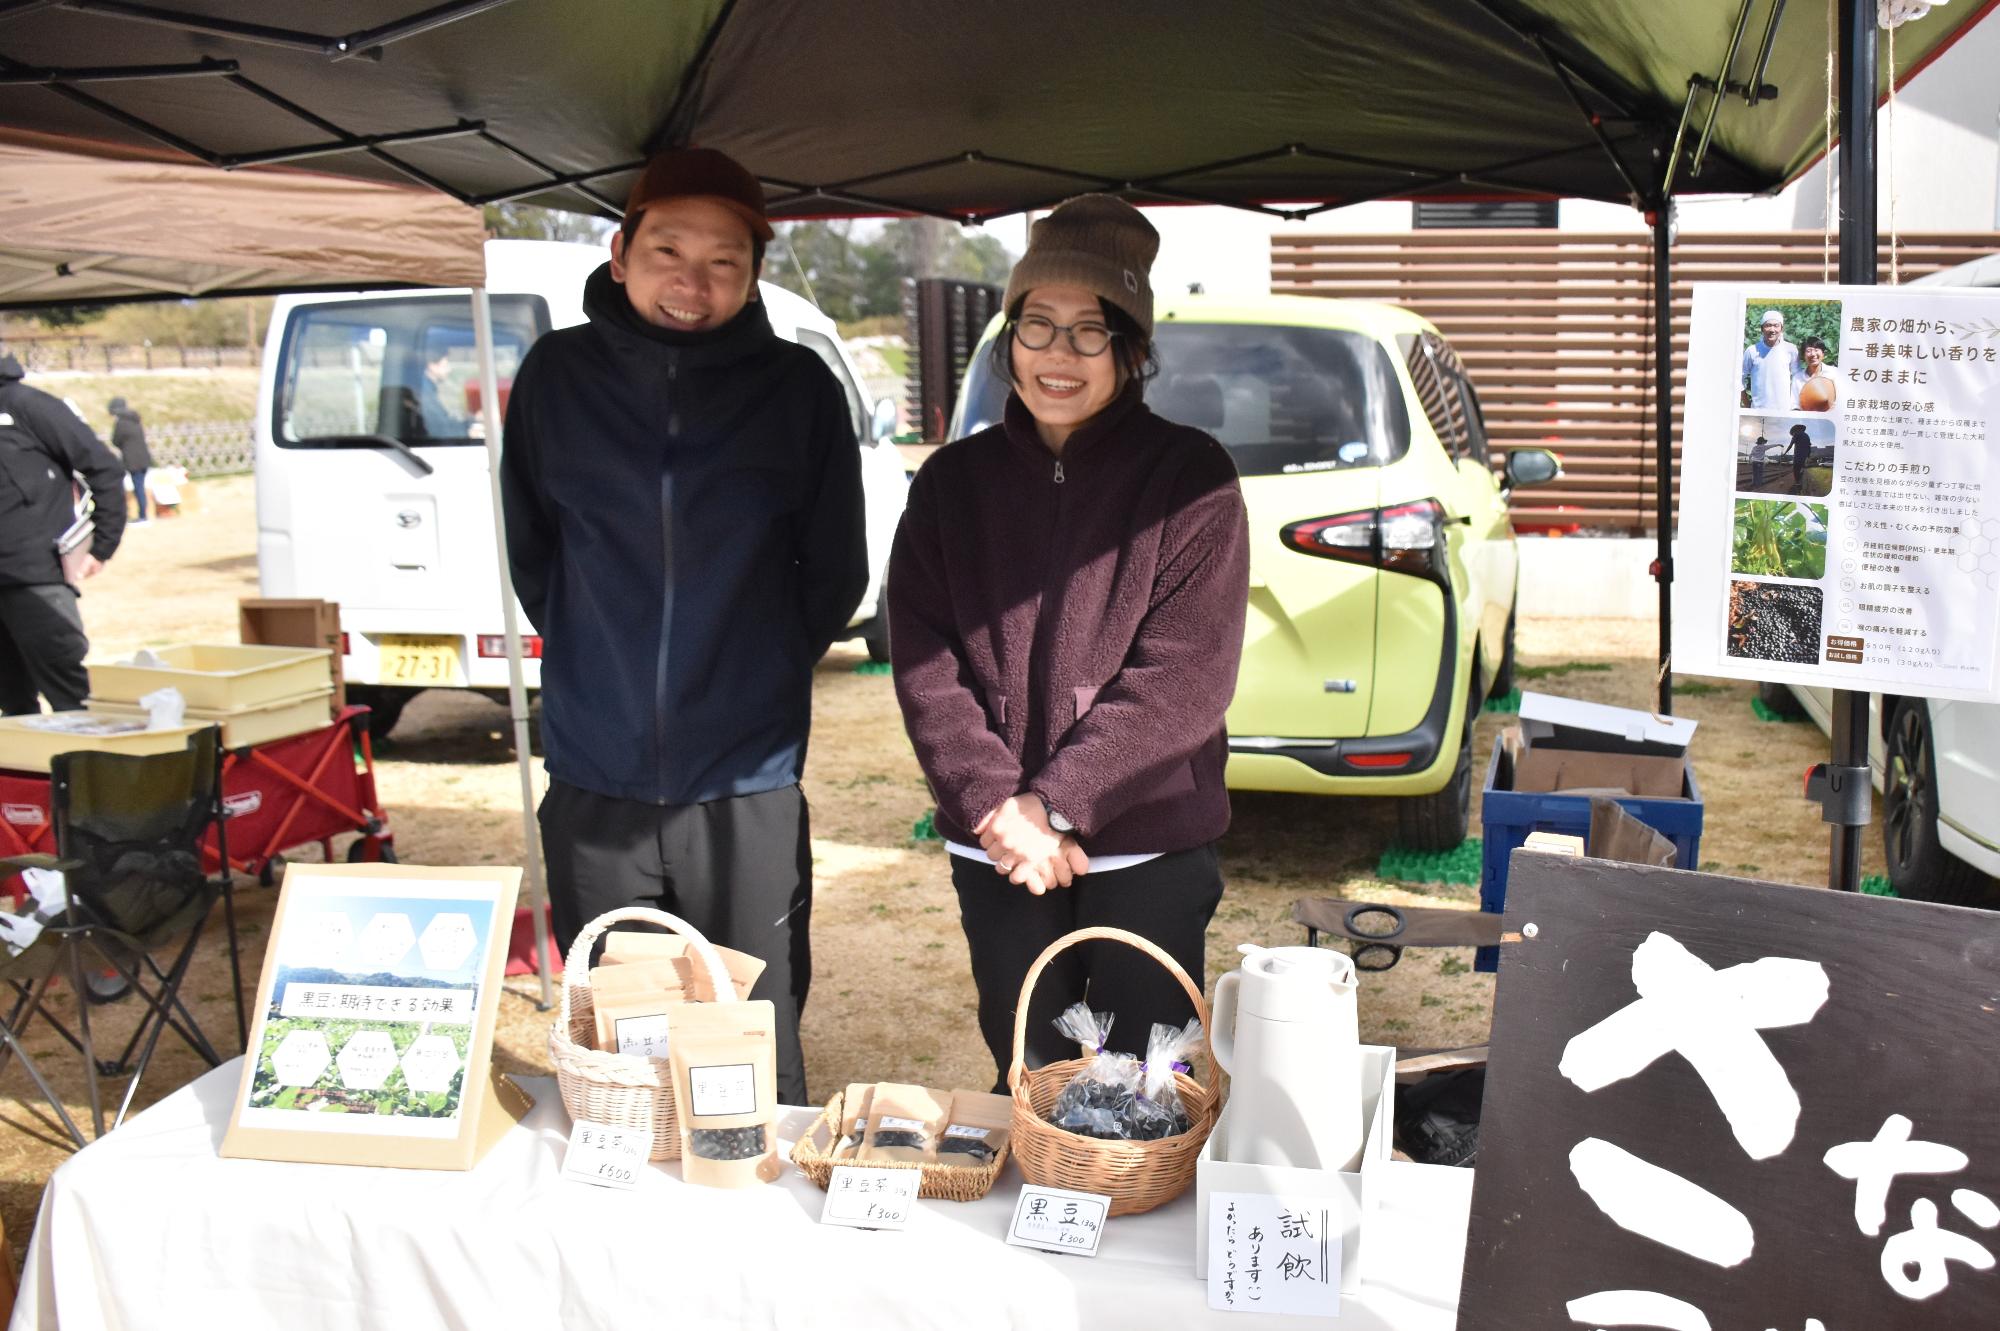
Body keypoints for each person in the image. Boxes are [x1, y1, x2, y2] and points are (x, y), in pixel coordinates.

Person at [499, 147, 867, 1105]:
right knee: (621, 1029)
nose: (692, 283)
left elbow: (836, 569)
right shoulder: (555, 376)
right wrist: (595, 654)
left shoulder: (799, 391)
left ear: (753, 276)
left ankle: (747, 1206)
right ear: (620, 252)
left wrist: (761, 665)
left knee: (748, 1022)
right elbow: (534, 547)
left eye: (724, 263)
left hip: (745, 777)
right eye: (668, 251)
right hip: (594, 771)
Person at [886, 195, 1251, 1088]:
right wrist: (999, 805)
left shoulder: (1189, 478)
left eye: (1092, 331)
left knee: (1147, 1084)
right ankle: (1044, 1222)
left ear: (1131, 350)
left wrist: (1055, 802)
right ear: (1007, 336)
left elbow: (1185, 676)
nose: (1060, 353)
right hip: (999, 842)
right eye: (1038, 324)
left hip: (1146, 838)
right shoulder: (951, 484)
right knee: (1031, 1070)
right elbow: (925, 662)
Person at [0, 355, 126, 714]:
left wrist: (102, 546)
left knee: (70, 695)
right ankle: (30, 771)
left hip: (36, 577)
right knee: (11, 701)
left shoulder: (28, 405)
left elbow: (104, 469)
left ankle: (87, 768)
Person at [1740, 309, 1799, 410]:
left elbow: (1798, 378)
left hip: (1784, 411)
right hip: (1758, 411)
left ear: (1782, 328)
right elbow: (1739, 378)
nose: (1772, 330)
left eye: (1776, 325)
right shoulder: (1752, 351)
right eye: (1768, 325)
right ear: (1762, 329)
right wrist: (1747, 404)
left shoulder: (1791, 349)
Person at [106, 396, 152, 522]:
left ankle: (142, 516)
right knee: (140, 487)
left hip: (132, 460)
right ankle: (143, 514)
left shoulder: (121, 423)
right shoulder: (136, 420)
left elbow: (115, 440)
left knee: (137, 488)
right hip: (144, 458)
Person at [417, 350, 467, 438]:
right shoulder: (425, 394)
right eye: (445, 365)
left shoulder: (428, 390)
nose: (449, 369)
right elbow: (440, 430)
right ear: (432, 366)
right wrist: (467, 432)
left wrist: (469, 423)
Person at [1796, 334, 1840, 412]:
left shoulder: (1834, 373)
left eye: (1816, 350)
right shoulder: (1797, 378)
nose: (1813, 354)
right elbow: (1794, 406)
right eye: (1808, 351)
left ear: (1823, 354)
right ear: (1803, 356)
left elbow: (1840, 402)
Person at [1788, 423, 1813, 494]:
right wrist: (1808, 456)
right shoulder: (1807, 435)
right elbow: (1809, 447)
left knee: (1795, 470)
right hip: (1804, 456)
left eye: (1793, 433)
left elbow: (1791, 445)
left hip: (1798, 455)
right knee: (1800, 469)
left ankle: (1798, 485)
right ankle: (1800, 483)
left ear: (1795, 430)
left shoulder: (1796, 434)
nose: (1793, 434)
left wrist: (1785, 452)